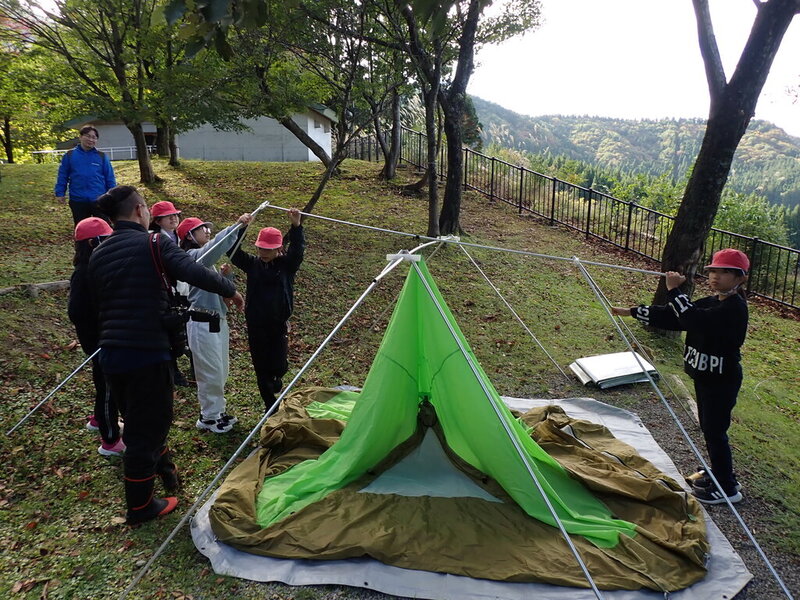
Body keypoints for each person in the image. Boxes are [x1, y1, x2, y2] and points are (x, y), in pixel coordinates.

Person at [88, 185, 244, 526]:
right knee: (146, 431)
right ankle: (140, 507)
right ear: (140, 211)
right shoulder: (154, 243)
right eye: (146, 209)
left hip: (111, 354)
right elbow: (194, 270)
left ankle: (166, 474)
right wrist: (230, 290)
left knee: (143, 421)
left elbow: (91, 305)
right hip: (146, 352)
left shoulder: (99, 253)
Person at [611, 248, 750, 505]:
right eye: (713, 271)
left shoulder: (734, 309)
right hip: (705, 377)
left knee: (715, 431)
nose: (716, 277)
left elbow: (693, 320)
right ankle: (719, 473)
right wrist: (631, 311)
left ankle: (728, 487)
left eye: (724, 272)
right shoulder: (711, 302)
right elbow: (674, 317)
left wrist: (674, 290)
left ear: (740, 278)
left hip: (722, 381)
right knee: (709, 428)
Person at [177, 213, 253, 433]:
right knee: (209, 372)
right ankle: (208, 417)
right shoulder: (191, 257)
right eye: (203, 229)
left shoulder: (206, 264)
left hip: (217, 321)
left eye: (208, 229)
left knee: (220, 370)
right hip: (201, 322)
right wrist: (235, 227)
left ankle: (218, 412)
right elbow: (213, 249)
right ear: (189, 236)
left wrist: (226, 278)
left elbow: (221, 295)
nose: (208, 232)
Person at [229, 208, 304, 410]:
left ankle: (276, 377)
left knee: (279, 364)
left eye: (268, 249)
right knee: (261, 367)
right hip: (256, 325)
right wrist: (241, 227)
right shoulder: (252, 264)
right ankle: (269, 406)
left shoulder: (286, 266)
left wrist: (296, 226)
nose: (263, 253)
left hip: (278, 324)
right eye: (261, 248)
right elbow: (233, 252)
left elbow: (297, 252)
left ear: (278, 248)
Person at [68, 217, 123, 456]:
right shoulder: (83, 273)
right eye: (106, 239)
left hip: (104, 336)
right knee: (109, 387)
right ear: (92, 243)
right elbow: (76, 311)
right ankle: (110, 440)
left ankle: (99, 419)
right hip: (100, 340)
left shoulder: (97, 267)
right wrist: (99, 328)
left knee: (103, 383)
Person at [149, 200, 189, 386]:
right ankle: (173, 371)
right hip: (162, 291)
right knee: (169, 333)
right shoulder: (154, 239)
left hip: (179, 290)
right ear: (158, 221)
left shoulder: (178, 237)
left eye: (175, 215)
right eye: (168, 216)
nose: (173, 218)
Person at [55, 126, 117, 225]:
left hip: (99, 199)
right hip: (78, 199)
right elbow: (63, 176)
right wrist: (60, 193)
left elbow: (110, 178)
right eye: (88, 136)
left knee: (105, 228)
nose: (91, 140)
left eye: (94, 137)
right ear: (80, 137)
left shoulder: (101, 156)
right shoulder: (70, 155)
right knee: (82, 228)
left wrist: (112, 196)